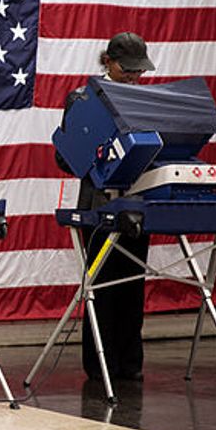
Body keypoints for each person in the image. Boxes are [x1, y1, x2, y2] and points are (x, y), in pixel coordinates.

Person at [56, 31, 155, 382]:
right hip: (98, 205)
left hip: (136, 201)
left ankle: (130, 365)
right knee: (103, 288)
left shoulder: (146, 99)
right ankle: (100, 367)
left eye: (138, 71)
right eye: (127, 69)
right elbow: (64, 157)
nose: (133, 76)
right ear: (108, 62)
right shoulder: (82, 98)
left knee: (132, 285)